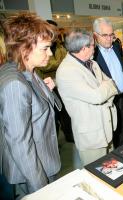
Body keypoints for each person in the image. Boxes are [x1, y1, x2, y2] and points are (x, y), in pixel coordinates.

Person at [0, 13, 61, 195]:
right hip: (33, 172)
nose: (50, 53)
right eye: (45, 48)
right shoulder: (15, 84)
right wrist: (40, 188)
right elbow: (20, 144)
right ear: (24, 48)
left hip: (44, 161)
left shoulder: (26, 69)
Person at [56, 29, 118, 165]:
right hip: (91, 135)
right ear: (84, 48)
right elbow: (97, 96)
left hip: (106, 126)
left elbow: (112, 84)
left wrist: (105, 89)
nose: (94, 49)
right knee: (96, 174)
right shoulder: (66, 71)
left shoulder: (92, 63)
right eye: (93, 46)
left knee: (111, 169)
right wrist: (105, 88)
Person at [35, 19, 74, 143]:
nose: (55, 32)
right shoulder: (41, 47)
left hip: (61, 84)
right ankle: (54, 143)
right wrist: (62, 63)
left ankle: (69, 136)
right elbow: (45, 66)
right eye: (52, 30)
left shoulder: (59, 45)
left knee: (66, 113)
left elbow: (67, 60)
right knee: (53, 116)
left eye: (56, 30)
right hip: (48, 86)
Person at [93, 18, 123, 148]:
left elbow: (122, 71)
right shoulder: (93, 54)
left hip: (122, 97)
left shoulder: (117, 47)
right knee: (110, 137)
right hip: (107, 101)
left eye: (111, 34)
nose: (109, 39)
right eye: (105, 35)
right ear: (95, 35)